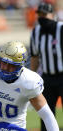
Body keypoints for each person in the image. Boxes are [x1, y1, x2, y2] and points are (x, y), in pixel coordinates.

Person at [29, 2, 63, 131]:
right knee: (45, 112)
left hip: (62, 75)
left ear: (52, 14)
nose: (42, 17)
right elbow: (35, 56)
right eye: (40, 14)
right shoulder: (36, 32)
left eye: (45, 14)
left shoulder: (61, 28)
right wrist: (33, 77)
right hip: (47, 78)